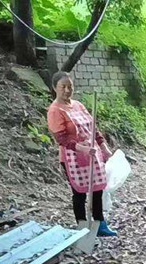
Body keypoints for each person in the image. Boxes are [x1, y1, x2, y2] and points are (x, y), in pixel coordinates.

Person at [47, 71, 117, 237]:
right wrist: (82, 148)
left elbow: (93, 128)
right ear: (55, 88)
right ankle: (82, 226)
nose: (67, 90)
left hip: (93, 153)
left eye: (69, 86)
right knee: (79, 193)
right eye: (63, 87)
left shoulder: (79, 105)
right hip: (73, 157)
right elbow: (62, 139)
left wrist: (103, 146)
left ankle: (100, 224)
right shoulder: (55, 110)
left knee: (98, 189)